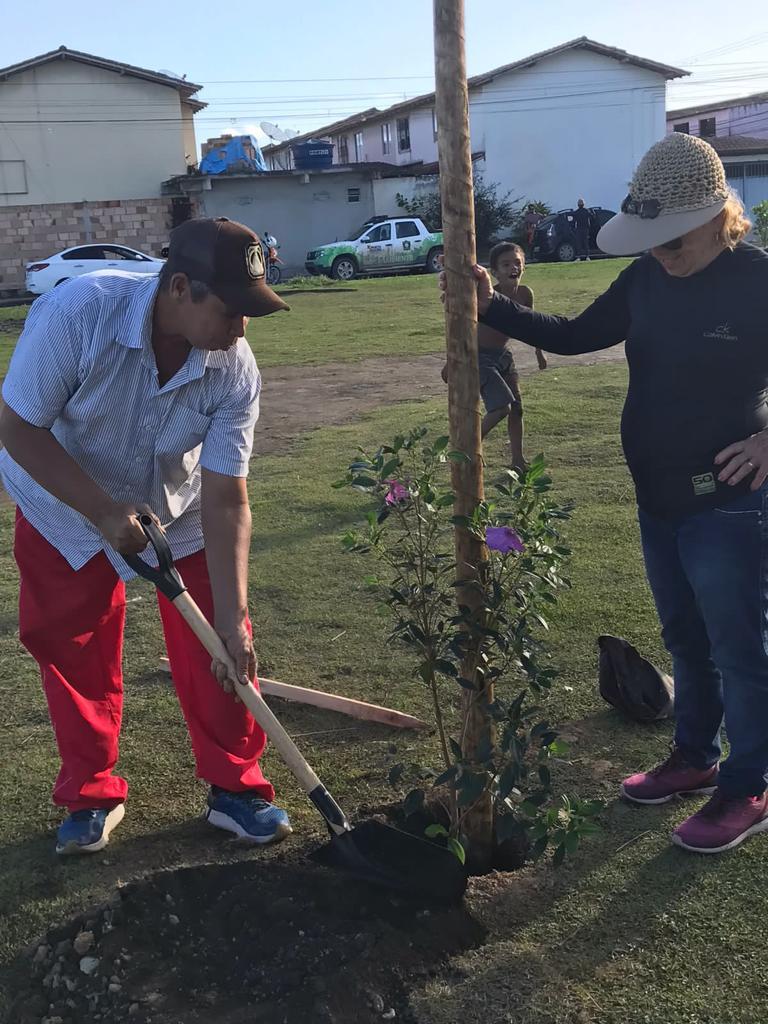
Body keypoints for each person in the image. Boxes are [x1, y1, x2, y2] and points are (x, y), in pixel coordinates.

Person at [447, 132, 768, 855]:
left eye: (673, 238)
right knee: (686, 639)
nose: (658, 250)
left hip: (728, 504)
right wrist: (491, 304)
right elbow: (572, 334)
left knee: (740, 647)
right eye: (650, 239)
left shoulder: (756, 281)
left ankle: (748, 785)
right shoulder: (648, 279)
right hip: (658, 501)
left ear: (719, 219)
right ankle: (695, 756)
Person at [0, 217, 295, 856]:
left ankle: (237, 789)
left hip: (176, 507)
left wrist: (232, 612)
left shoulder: (233, 369)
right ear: (180, 288)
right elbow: (19, 429)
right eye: (232, 309)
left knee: (220, 641)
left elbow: (225, 494)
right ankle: (91, 793)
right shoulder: (81, 312)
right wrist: (103, 511)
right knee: (71, 643)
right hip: (63, 499)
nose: (242, 328)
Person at [442, 242, 546, 472]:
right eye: (506, 264)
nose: (513, 267)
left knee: (517, 409)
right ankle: (466, 449)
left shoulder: (525, 293)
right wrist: (451, 361)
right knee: (502, 408)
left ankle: (518, 461)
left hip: (503, 356)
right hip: (480, 357)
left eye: (517, 262)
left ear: (524, 266)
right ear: (495, 272)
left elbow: (532, 325)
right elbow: (462, 327)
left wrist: (539, 352)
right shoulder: (487, 295)